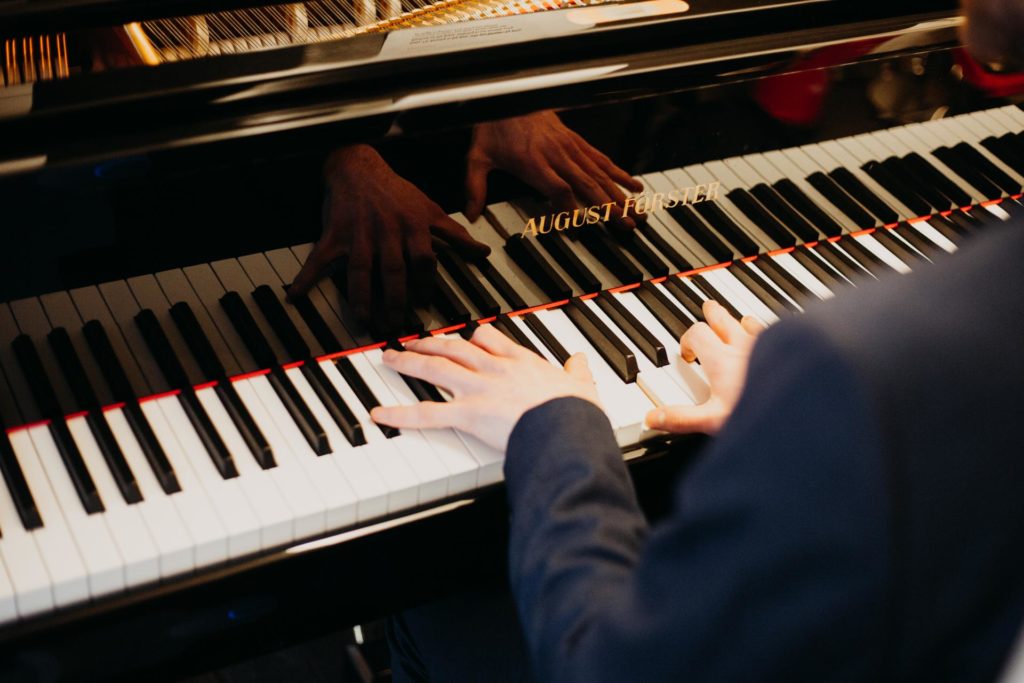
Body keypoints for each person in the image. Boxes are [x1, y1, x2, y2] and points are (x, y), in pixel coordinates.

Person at [369, 1, 1024, 679]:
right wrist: (796, 426)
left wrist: (555, 425)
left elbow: (612, 666)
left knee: (438, 606)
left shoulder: (857, 369)